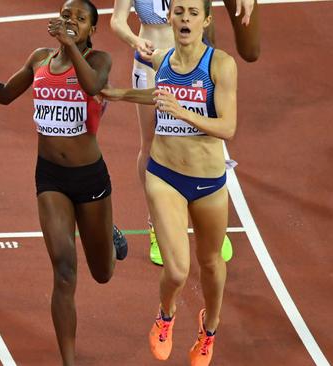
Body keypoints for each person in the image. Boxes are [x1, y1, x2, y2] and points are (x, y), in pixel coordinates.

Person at [0, 1, 127, 364]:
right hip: (50, 177)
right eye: (67, 14)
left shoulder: (100, 60)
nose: (71, 20)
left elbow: (92, 87)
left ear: (92, 30)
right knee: (64, 271)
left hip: (90, 177)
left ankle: (110, 233)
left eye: (81, 18)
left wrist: (71, 46)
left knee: (102, 273)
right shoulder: (40, 58)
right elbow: (5, 93)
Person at [102, 0, 237, 363]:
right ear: (171, 17)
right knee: (177, 270)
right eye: (179, 13)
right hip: (165, 174)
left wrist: (183, 113)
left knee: (210, 265)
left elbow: (227, 127)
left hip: (208, 181)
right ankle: (165, 316)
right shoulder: (162, 61)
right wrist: (118, 93)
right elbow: (156, 94)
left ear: (206, 20)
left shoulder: (221, 65)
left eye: (193, 13)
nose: (184, 19)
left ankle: (209, 329)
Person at [110, 0, 243, 265]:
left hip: (191, 61)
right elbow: (117, 20)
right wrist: (134, 40)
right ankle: (156, 226)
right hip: (150, 61)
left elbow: (205, 14)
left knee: (205, 136)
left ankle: (212, 224)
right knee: (150, 142)